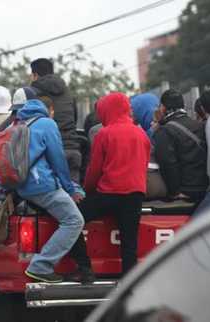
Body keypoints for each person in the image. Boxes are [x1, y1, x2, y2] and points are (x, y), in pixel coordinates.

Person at [69, 92, 151, 282]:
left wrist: (87, 191)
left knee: (71, 218)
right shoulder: (141, 134)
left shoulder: (104, 134)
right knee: (129, 242)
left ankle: (85, 268)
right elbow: (144, 165)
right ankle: (129, 284)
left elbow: (94, 170)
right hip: (135, 195)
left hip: (109, 194)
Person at [16, 99, 84, 283]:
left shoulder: (19, 124)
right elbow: (58, 159)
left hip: (21, 186)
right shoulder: (47, 124)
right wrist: (70, 189)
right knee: (74, 220)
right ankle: (41, 266)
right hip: (40, 184)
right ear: (49, 110)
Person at [30, 58, 82, 182]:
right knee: (74, 197)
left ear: (35, 75)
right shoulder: (67, 92)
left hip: (49, 154)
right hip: (72, 149)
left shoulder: (34, 93)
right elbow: (74, 119)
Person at [153, 89, 208, 205]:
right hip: (205, 188)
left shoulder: (165, 131)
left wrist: (175, 192)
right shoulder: (200, 125)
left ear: (163, 108)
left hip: (185, 192)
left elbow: (168, 163)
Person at [130, 93, 166, 200]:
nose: (132, 115)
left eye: (134, 111)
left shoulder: (145, 134)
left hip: (148, 188)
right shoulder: (164, 126)